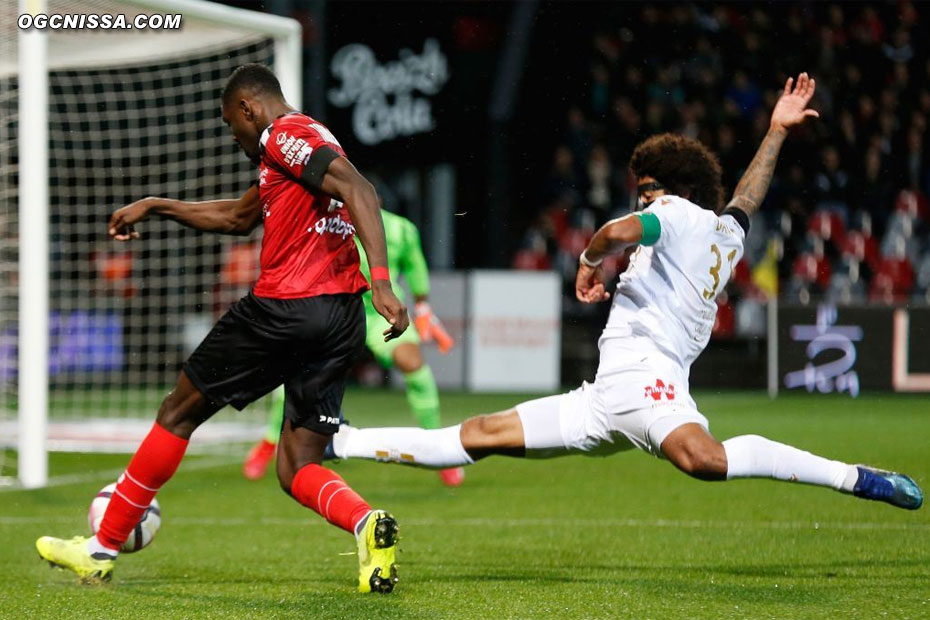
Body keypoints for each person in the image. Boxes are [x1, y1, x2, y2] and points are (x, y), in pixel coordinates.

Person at [330, 74, 924, 514]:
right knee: (479, 435)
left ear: (673, 191)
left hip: (650, 386)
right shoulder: (721, 233)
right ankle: (339, 439)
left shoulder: (675, 214)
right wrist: (774, 132)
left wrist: (589, 262)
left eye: (648, 189)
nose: (642, 199)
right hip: (604, 399)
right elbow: (746, 198)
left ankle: (856, 479)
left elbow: (615, 232)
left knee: (706, 461)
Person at [36, 64, 408, 594]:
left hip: (285, 309)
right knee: (296, 465)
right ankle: (367, 524)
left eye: (230, 124)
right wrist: (157, 205)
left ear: (248, 109)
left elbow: (360, 190)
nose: (234, 137)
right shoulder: (304, 145)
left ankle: (101, 546)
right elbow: (237, 217)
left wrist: (385, 282)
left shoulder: (283, 135)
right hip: (339, 317)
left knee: (178, 409)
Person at [243, 210, 464, 487]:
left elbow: (415, 266)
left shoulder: (401, 228)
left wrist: (423, 308)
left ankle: (437, 446)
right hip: (331, 310)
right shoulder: (327, 221)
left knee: (413, 363)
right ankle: (268, 445)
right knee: (295, 374)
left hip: (378, 313)